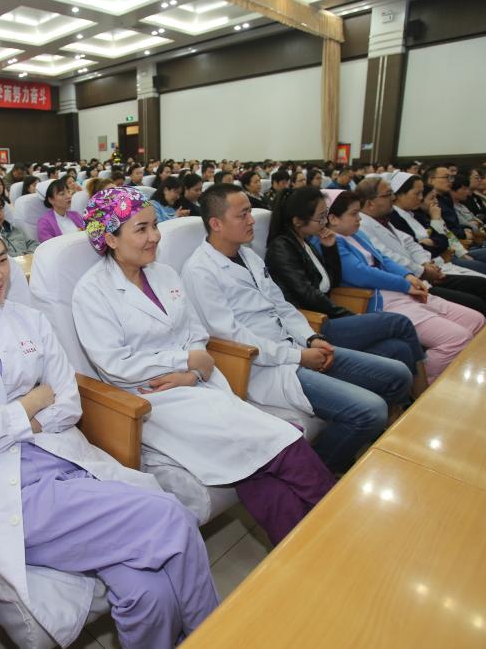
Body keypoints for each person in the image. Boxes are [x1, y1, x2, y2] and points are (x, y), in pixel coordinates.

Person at [0, 210, 217, 648]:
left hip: (67, 463)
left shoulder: (29, 321)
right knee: (172, 517)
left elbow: (68, 404)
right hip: (11, 490)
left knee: (147, 592)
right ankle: (219, 635)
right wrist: (33, 402)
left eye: (2, 260)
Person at [72, 187, 334, 544]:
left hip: (196, 382)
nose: (155, 236)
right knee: (285, 444)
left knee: (255, 473)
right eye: (141, 229)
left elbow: (196, 333)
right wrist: (183, 361)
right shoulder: (91, 292)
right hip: (152, 401)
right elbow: (114, 363)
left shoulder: (165, 274)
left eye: (154, 225)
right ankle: (339, 527)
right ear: (111, 239)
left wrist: (192, 371)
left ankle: (306, 551)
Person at [184, 185, 412, 474]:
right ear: (216, 224)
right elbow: (232, 337)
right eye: (242, 215)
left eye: (250, 213)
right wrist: (298, 357)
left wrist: (311, 338)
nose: (252, 220)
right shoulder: (200, 271)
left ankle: (356, 450)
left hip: (296, 347)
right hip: (263, 367)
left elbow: (281, 305)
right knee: (371, 411)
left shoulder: (249, 256)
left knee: (398, 375)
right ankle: (322, 474)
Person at [266, 186, 428, 396]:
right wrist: (347, 315)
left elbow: (331, 284)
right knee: (400, 323)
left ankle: (404, 406)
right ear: (298, 221)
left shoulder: (306, 243)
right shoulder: (281, 247)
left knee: (399, 349)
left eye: (325, 215)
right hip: (314, 325)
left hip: (327, 316)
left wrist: (329, 248)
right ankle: (424, 396)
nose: (325, 222)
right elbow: (308, 295)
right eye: (320, 217)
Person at [328, 191, 484, 383]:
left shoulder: (357, 234)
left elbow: (383, 259)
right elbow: (360, 273)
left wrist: (407, 275)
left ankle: (459, 378)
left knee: (476, 320)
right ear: (333, 218)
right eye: (353, 214)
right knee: (457, 338)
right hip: (381, 301)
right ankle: (424, 385)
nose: (359, 218)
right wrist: (404, 284)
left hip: (400, 292)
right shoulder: (330, 242)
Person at [357, 177, 486, 320]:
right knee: (476, 303)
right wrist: (424, 271)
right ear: (370, 203)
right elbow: (388, 258)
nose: (393, 198)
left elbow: (411, 243)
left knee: (483, 285)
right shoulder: (363, 225)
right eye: (388, 194)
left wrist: (425, 263)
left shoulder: (383, 219)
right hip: (408, 282)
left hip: (426, 270)